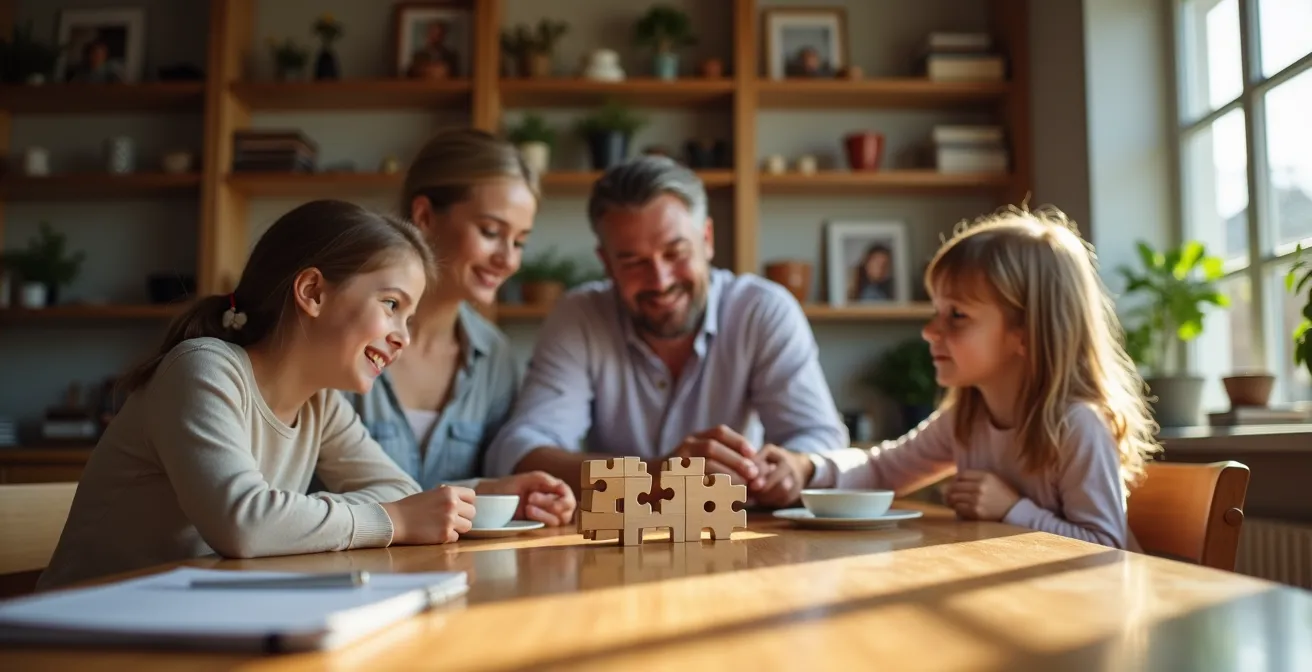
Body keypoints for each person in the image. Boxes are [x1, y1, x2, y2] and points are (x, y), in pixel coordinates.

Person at [38, 200, 478, 590]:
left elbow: (399, 489)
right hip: (86, 630)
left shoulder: (321, 404)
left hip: (193, 619)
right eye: (391, 305)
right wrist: (392, 520)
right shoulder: (202, 369)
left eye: (409, 317)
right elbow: (245, 525)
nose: (403, 337)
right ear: (313, 292)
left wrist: (288, 517)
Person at [754, 207, 1160, 550]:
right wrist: (805, 467)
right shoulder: (967, 418)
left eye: (957, 315)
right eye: (936, 311)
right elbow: (881, 470)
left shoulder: (1077, 425)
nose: (931, 331)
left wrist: (1011, 509)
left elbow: (1107, 548)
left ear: (1025, 332)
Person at [484, 155, 849, 505]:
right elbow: (519, 450)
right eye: (632, 262)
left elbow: (822, 438)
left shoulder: (762, 309)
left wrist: (797, 467)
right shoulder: (579, 317)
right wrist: (654, 475)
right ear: (607, 263)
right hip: (615, 549)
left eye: (675, 253)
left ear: (706, 239)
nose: (659, 281)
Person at [342, 128, 575, 526]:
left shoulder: (494, 356)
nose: (507, 260)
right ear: (425, 217)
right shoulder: (346, 331)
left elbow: (487, 498)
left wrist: (525, 498)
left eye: (519, 241)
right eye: (491, 232)